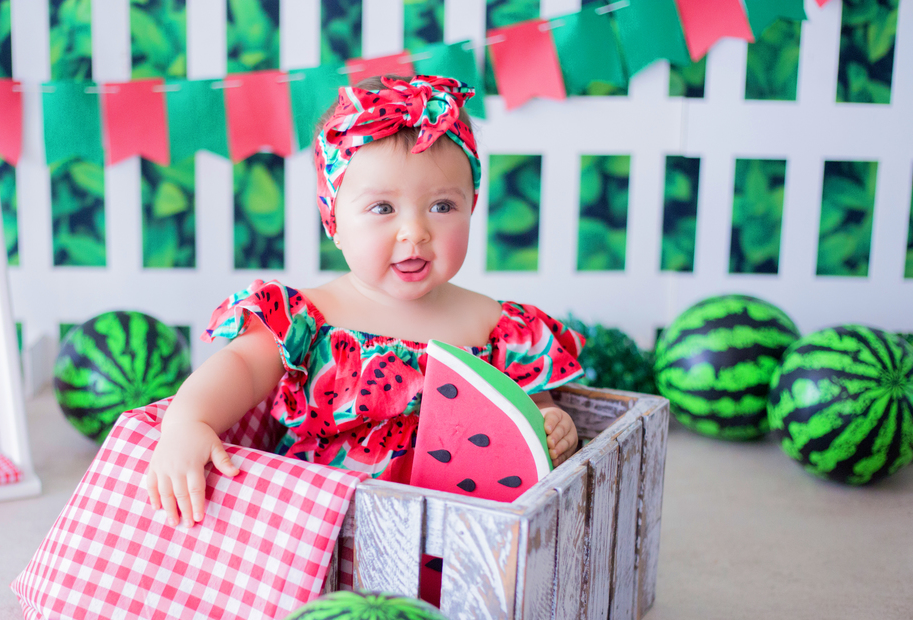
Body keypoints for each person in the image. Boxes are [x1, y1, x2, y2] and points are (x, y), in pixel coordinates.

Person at [144, 74, 586, 527]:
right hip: (323, 527)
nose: (414, 231)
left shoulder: (494, 324)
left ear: (472, 205)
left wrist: (552, 422)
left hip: (457, 530)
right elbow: (241, 366)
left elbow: (530, 404)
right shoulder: (308, 319)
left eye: (441, 206)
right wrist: (188, 423)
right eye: (382, 209)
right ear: (333, 220)